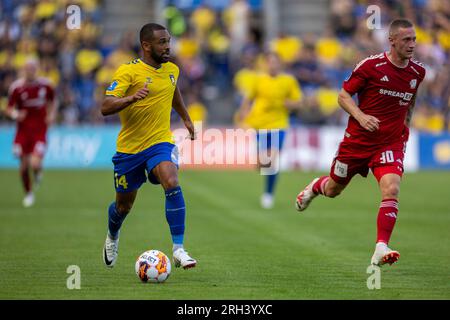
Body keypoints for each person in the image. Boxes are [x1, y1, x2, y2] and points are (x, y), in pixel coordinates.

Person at [295, 19, 426, 266]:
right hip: (358, 141)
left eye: (414, 39)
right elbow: (343, 96)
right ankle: (315, 187)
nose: (412, 44)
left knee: (392, 188)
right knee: (334, 189)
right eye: (407, 40)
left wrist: (406, 125)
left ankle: (381, 246)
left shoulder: (418, 72)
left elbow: (411, 100)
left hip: (390, 142)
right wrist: (362, 117)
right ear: (392, 40)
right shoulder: (371, 66)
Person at [101, 23, 197, 269]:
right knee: (123, 207)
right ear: (146, 46)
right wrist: (131, 98)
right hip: (129, 149)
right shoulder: (127, 72)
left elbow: (173, 91)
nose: (167, 47)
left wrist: (185, 118)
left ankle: (178, 249)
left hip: (159, 142)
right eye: (162, 42)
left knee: (171, 180)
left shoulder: (172, 69)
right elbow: (105, 107)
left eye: (168, 41)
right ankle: (112, 235)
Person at [237, 52, 302, 209]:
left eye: (275, 62)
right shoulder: (258, 79)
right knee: (262, 164)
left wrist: (290, 104)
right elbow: (248, 99)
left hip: (279, 125)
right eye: (270, 62)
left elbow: (298, 102)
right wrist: (242, 115)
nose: (273, 65)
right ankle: (263, 173)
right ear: (266, 64)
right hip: (260, 125)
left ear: (280, 64)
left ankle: (268, 194)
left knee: (271, 160)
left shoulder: (288, 81)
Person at [4, 58, 56, 207]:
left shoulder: (46, 85)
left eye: (33, 68)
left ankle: (38, 172)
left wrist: (51, 115)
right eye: (27, 68)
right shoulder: (16, 88)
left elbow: (52, 101)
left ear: (37, 69)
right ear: (23, 70)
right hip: (23, 131)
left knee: (35, 163)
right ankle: (28, 193)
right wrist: (15, 115)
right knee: (23, 166)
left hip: (40, 130)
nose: (30, 71)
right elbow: (9, 108)